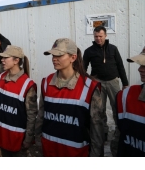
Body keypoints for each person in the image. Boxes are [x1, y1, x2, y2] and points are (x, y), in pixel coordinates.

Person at [39, 38, 104, 156]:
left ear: (73, 58)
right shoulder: (46, 83)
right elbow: (41, 117)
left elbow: (97, 129)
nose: (54, 59)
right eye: (53, 55)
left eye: (59, 55)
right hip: (49, 151)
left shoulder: (89, 87)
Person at [83, 26, 129, 154]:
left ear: (105, 36)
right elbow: (83, 68)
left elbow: (120, 65)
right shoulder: (89, 51)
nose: (98, 39)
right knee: (99, 109)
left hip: (113, 82)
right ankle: (102, 133)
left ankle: (119, 133)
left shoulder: (113, 49)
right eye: (96, 36)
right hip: (97, 83)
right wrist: (86, 82)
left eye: (100, 36)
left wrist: (125, 83)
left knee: (117, 108)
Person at [0, 45, 39, 157]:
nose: (2, 60)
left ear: (16, 60)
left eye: (6, 57)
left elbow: (32, 116)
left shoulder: (27, 85)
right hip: (1, 135)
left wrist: (28, 139)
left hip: (17, 141)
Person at [115, 46, 145, 157]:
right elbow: (119, 135)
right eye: (141, 65)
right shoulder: (126, 96)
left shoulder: (112, 49)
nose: (140, 69)